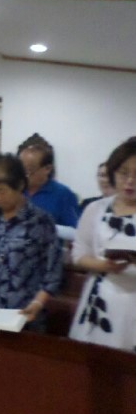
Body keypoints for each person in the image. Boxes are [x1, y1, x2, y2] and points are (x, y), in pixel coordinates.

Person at [0, 154, 62, 332]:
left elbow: (53, 270)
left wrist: (38, 303)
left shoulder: (40, 221)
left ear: (19, 185)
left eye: (1, 191)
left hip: (22, 311)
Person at [69, 137, 136, 352]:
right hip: (101, 297)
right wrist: (103, 265)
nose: (130, 181)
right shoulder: (95, 209)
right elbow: (79, 254)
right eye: (124, 173)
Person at [18, 138, 80, 228]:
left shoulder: (63, 194)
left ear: (47, 169)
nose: (22, 175)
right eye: (19, 169)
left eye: (28, 171)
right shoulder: (14, 190)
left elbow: (75, 231)